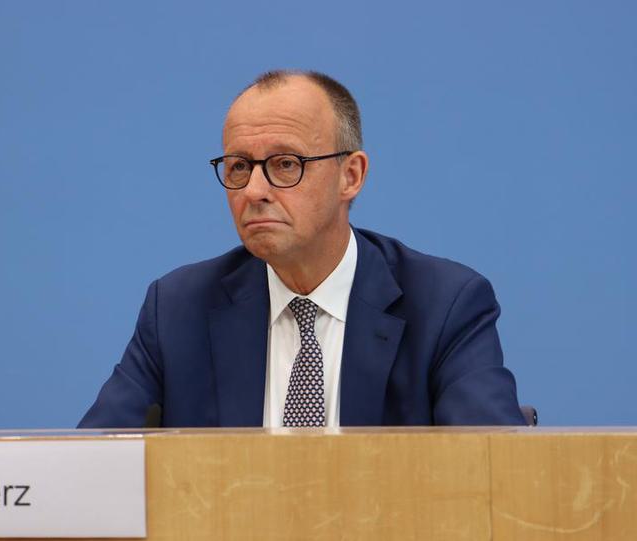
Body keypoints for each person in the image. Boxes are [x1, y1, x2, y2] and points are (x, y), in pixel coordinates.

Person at [78, 70, 524, 428]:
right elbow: (90, 464)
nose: (254, 190)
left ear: (351, 176)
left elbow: (494, 471)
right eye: (238, 167)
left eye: (285, 164)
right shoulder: (178, 309)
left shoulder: (444, 305)